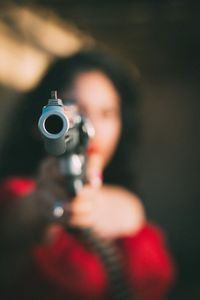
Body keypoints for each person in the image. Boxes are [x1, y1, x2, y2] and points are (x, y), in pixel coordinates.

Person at [0, 49, 175, 300]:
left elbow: (127, 210)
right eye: (75, 110)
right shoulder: (18, 194)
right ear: (44, 123)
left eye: (107, 113)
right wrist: (43, 204)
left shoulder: (126, 201)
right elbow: (14, 221)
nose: (90, 126)